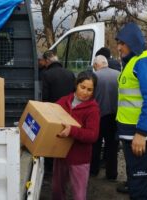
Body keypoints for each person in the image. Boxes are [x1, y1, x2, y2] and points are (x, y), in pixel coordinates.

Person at [116, 22, 147, 200]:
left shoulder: (144, 62)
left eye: (122, 43)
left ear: (132, 42)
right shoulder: (134, 63)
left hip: (141, 136)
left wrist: (141, 133)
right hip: (137, 135)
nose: (119, 47)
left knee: (138, 186)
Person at [52, 70, 100, 200]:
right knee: (57, 190)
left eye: (89, 90)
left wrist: (72, 131)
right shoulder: (64, 101)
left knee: (79, 195)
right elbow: (50, 115)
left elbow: (92, 135)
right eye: (82, 87)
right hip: (61, 154)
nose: (85, 92)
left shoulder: (93, 109)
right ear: (76, 85)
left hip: (79, 159)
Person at [40, 50, 76, 185]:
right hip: (67, 111)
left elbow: (45, 96)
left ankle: (50, 168)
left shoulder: (46, 74)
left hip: (52, 111)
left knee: (52, 139)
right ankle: (65, 164)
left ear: (47, 61)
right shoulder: (70, 73)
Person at [90, 55, 120, 181]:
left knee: (95, 145)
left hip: (98, 115)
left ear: (97, 65)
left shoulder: (95, 77)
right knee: (112, 146)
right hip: (116, 116)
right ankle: (111, 174)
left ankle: (93, 170)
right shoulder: (119, 75)